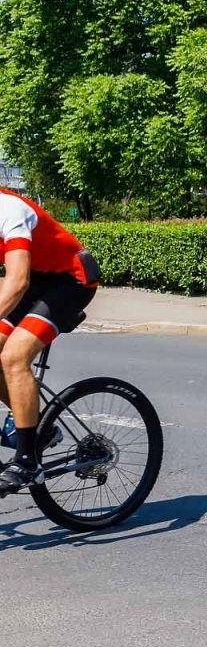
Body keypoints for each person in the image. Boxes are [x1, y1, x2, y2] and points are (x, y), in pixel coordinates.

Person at [0, 189, 99, 492]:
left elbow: (17, 281)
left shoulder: (9, 208)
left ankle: (27, 460)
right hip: (35, 280)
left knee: (13, 357)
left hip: (70, 280)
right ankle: (37, 424)